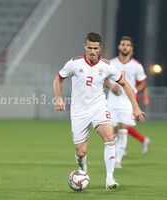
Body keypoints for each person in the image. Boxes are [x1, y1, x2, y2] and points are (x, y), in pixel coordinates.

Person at [53, 32, 145, 190]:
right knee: (81, 152)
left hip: (99, 108)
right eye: (89, 47)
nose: (92, 51)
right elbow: (58, 79)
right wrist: (58, 97)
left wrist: (135, 107)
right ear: (85, 46)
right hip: (79, 111)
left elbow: (125, 84)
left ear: (100, 48)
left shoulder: (107, 66)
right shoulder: (74, 63)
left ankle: (110, 178)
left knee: (109, 137)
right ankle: (83, 172)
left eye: (95, 48)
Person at [105, 36, 150, 169]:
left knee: (124, 130)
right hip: (112, 102)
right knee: (111, 133)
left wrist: (135, 90)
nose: (125, 47)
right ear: (119, 47)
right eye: (123, 44)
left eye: (128, 45)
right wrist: (110, 86)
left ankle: (118, 160)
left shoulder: (136, 65)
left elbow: (143, 82)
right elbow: (103, 79)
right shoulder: (111, 63)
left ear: (131, 48)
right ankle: (112, 157)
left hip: (127, 102)